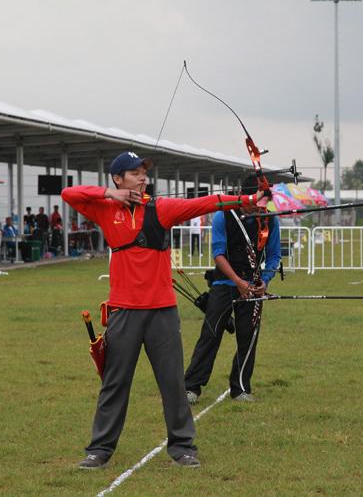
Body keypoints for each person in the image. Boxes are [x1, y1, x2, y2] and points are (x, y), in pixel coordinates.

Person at [61, 151, 266, 470]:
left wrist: (248, 199)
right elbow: (68, 193)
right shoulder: (106, 209)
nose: (143, 178)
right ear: (118, 178)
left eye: (144, 173)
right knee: (115, 382)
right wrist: (109, 194)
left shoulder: (160, 209)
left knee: (172, 382)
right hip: (124, 312)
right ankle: (99, 449)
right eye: (134, 173)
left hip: (162, 312)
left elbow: (207, 203)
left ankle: (182, 447)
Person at [184, 177, 281, 405]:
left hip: (254, 287)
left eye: (264, 205)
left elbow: (274, 255)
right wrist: (237, 281)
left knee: (248, 336)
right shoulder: (223, 215)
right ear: (246, 198)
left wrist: (264, 281)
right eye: (257, 203)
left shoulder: (270, 220)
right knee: (211, 334)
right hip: (224, 285)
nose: (260, 209)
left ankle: (240, 388)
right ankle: (191, 387)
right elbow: (218, 254)